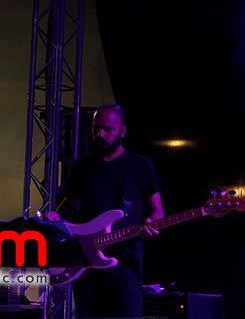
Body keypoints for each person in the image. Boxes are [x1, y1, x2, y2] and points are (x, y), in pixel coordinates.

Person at [46, 103, 164, 318]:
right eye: (96, 128)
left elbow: (157, 211)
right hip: (87, 267)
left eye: (107, 129)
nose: (100, 134)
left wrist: (152, 226)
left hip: (125, 268)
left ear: (122, 131)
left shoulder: (140, 166)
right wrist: (58, 216)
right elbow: (69, 207)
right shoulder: (83, 167)